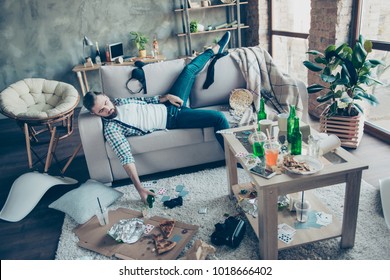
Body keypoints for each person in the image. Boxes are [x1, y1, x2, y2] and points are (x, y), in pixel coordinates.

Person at [83, 32, 231, 204]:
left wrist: (166, 97)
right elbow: (126, 157)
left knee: (189, 69)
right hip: (174, 118)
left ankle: (215, 49)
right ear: (95, 114)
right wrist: (139, 189)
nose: (108, 109)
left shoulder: (119, 101)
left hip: (169, 102)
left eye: (106, 103)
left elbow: (144, 101)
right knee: (219, 118)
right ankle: (233, 159)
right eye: (102, 110)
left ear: (107, 96)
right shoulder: (112, 128)